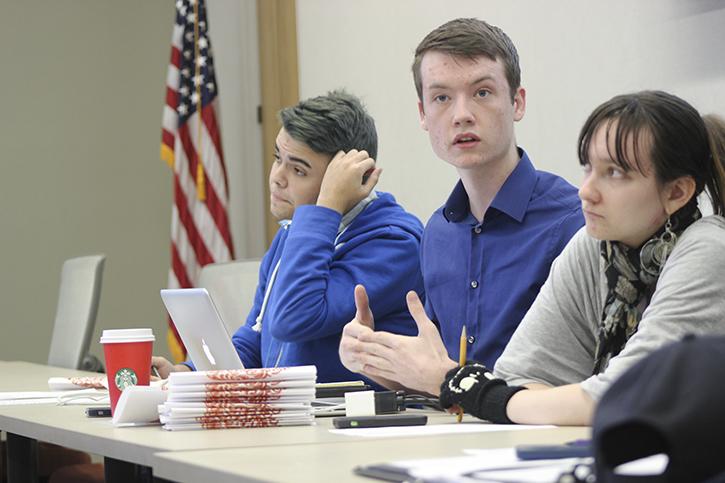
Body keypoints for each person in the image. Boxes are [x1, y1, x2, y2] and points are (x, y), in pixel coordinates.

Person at [439, 90, 725, 426]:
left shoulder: (710, 249)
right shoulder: (596, 245)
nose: (586, 191)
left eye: (615, 173)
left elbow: (631, 394)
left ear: (677, 192)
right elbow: (520, 374)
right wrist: (519, 398)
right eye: (588, 168)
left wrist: (491, 399)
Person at [338, 18, 583, 395]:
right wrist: (376, 360)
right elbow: (444, 379)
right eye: (441, 98)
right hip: (454, 440)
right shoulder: (437, 231)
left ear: (517, 102)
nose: (461, 114)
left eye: (482, 93)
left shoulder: (572, 223)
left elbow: (587, 377)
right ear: (422, 113)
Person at [153, 90, 424, 385]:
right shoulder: (297, 231)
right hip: (296, 414)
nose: (277, 177)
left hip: (349, 421)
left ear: (350, 177)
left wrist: (327, 207)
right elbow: (256, 340)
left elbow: (293, 319)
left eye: (298, 169)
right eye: (277, 159)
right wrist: (188, 373)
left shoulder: (394, 244)